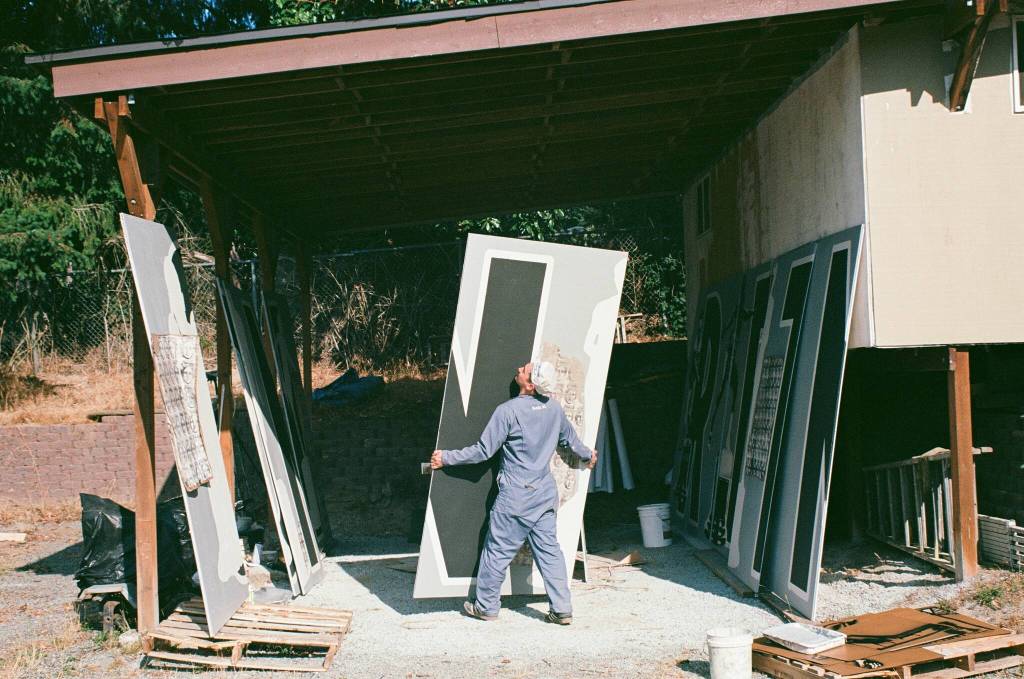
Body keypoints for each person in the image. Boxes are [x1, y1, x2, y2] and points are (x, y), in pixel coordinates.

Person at [430, 360, 597, 625]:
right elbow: (570, 440)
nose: (519, 368)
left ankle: (486, 607)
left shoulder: (507, 412)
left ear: (530, 384)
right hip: (543, 494)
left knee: (497, 551)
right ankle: (562, 609)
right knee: (550, 552)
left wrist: (446, 458)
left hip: (516, 496)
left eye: (525, 370)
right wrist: (588, 455)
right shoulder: (554, 409)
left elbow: (483, 451)